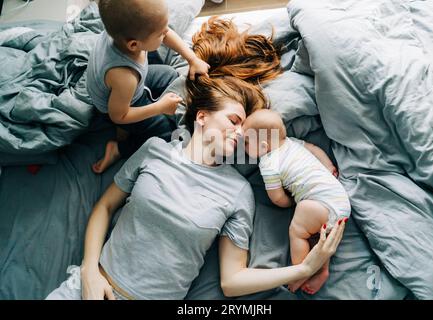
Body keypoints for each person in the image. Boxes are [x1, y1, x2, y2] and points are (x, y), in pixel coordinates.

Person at [46, 76, 347, 300]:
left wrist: (305, 269)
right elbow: (105, 206)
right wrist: (88, 271)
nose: (241, 132)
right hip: (87, 289)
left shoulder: (238, 191)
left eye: (245, 128)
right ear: (201, 117)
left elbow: (232, 280)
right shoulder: (155, 150)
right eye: (233, 120)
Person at [87, 0, 210, 174]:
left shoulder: (121, 32)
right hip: (120, 109)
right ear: (134, 45)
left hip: (132, 88)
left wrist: (193, 60)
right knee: (167, 133)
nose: (166, 33)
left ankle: (125, 130)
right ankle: (119, 148)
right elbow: (119, 115)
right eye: (161, 33)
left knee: (170, 75)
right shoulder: (124, 76)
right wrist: (159, 108)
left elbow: (167, 33)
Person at [243, 109, 351, 294]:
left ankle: (300, 272)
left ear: (262, 146)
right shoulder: (293, 143)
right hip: (339, 198)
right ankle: (322, 271)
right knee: (318, 236)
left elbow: (277, 197)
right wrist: (329, 167)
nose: (243, 146)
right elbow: (315, 149)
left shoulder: (268, 163)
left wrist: (290, 203)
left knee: (298, 232)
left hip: (320, 204)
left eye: (246, 142)